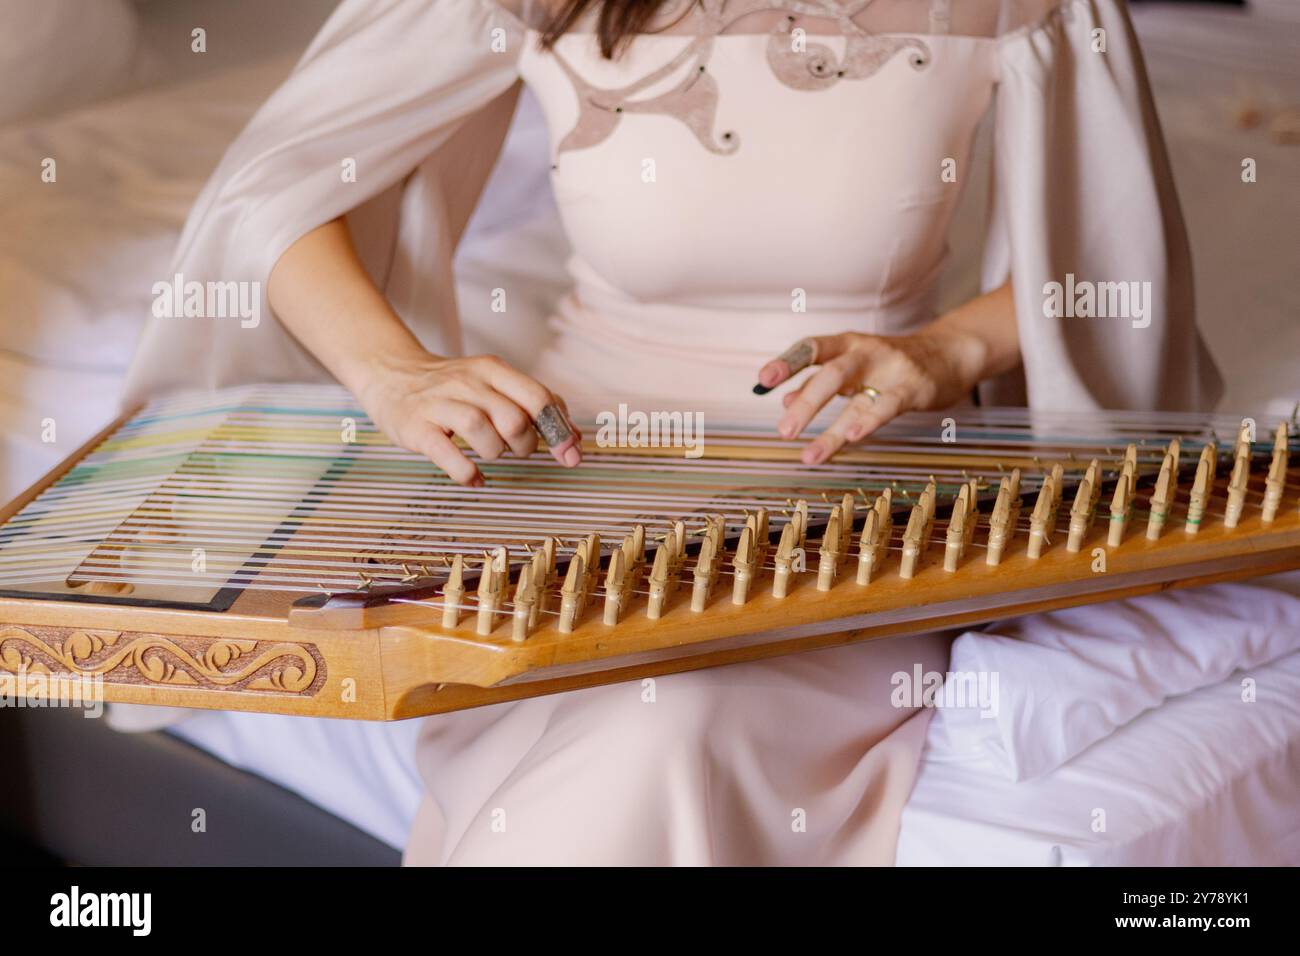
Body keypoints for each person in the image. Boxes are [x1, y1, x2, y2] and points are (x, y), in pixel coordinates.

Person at [122, 0, 1221, 864]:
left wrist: (945, 352)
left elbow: (1112, 259)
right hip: (570, 479)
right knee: (609, 714)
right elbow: (268, 194)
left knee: (672, 722)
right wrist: (392, 371)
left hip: (842, 490)